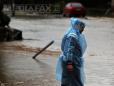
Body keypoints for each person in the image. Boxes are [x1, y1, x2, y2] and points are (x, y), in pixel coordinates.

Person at [56, 18, 87, 86]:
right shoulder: (73, 35)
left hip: (71, 61)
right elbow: (69, 49)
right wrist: (69, 63)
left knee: (68, 81)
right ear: (78, 26)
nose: (83, 29)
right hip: (72, 62)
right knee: (74, 82)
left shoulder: (72, 32)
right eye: (82, 27)